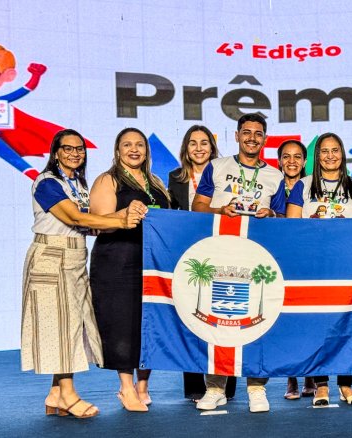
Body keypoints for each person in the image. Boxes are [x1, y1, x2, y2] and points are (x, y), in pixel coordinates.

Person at [21, 129, 144, 418]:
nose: (75, 153)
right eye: (68, 148)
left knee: (71, 325)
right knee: (61, 327)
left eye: (80, 149)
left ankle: (55, 393)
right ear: (56, 153)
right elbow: (74, 217)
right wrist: (121, 221)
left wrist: (126, 212)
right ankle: (68, 394)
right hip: (51, 257)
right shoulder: (47, 183)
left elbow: (90, 225)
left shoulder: (78, 183)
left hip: (75, 257)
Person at [193, 113, 286, 413]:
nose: (252, 138)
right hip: (220, 252)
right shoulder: (217, 166)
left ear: (265, 139)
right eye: (246, 132)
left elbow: (284, 219)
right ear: (236, 136)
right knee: (217, 319)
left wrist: (271, 215)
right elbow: (198, 207)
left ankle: (257, 388)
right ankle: (215, 388)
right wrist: (221, 211)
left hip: (257, 258)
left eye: (258, 134)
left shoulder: (275, 176)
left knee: (258, 320)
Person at [89, 127, 171, 412]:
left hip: (151, 263)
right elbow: (98, 223)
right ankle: (126, 388)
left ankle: (143, 386)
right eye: (127, 145)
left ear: (147, 151)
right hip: (118, 262)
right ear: (117, 150)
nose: (134, 149)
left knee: (149, 324)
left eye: (139, 145)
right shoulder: (108, 180)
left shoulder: (155, 182)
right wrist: (125, 215)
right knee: (123, 325)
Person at [287, 132, 352, 406]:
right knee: (318, 326)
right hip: (313, 268)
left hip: (347, 269)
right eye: (324, 151)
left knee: (347, 325)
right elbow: (292, 228)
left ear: (343, 154)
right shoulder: (303, 185)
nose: (330, 156)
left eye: (335, 150)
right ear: (317, 156)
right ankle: (321, 386)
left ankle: (346, 385)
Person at [167, 125, 237, 402]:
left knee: (224, 316)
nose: (199, 148)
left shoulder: (225, 173)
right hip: (188, 255)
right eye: (193, 143)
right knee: (192, 317)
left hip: (222, 251)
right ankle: (196, 386)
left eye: (204, 143)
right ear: (186, 148)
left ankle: (226, 384)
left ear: (212, 147)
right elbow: (172, 215)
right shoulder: (175, 178)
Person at [277, 139, 317, 400]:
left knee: (309, 319)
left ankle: (311, 376)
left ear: (304, 161)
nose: (291, 161)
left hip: (308, 258)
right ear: (279, 161)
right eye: (286, 156)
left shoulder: (314, 186)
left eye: (297, 157)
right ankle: (291, 378)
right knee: (286, 320)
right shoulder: (272, 185)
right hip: (280, 257)